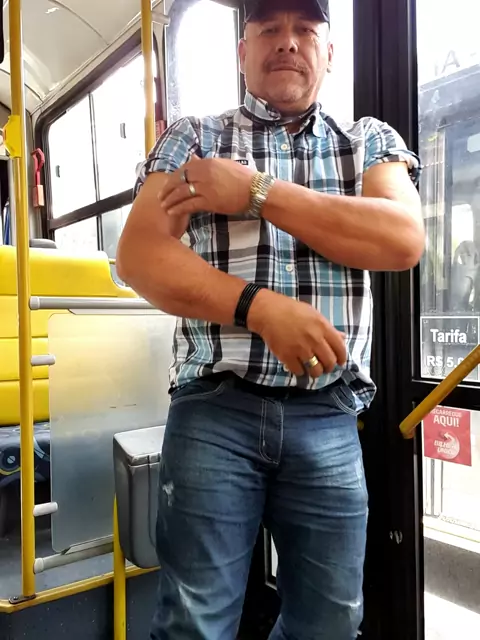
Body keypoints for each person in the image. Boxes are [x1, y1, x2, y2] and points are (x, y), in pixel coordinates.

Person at [117, 0, 424, 638]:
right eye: (269, 29)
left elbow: (400, 238)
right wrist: (259, 308)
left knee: (330, 624)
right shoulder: (195, 138)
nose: (288, 42)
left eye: (306, 29)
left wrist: (255, 193)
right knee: (195, 623)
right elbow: (140, 255)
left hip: (327, 409)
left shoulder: (367, 142)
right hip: (214, 406)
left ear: (329, 54)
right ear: (242, 52)